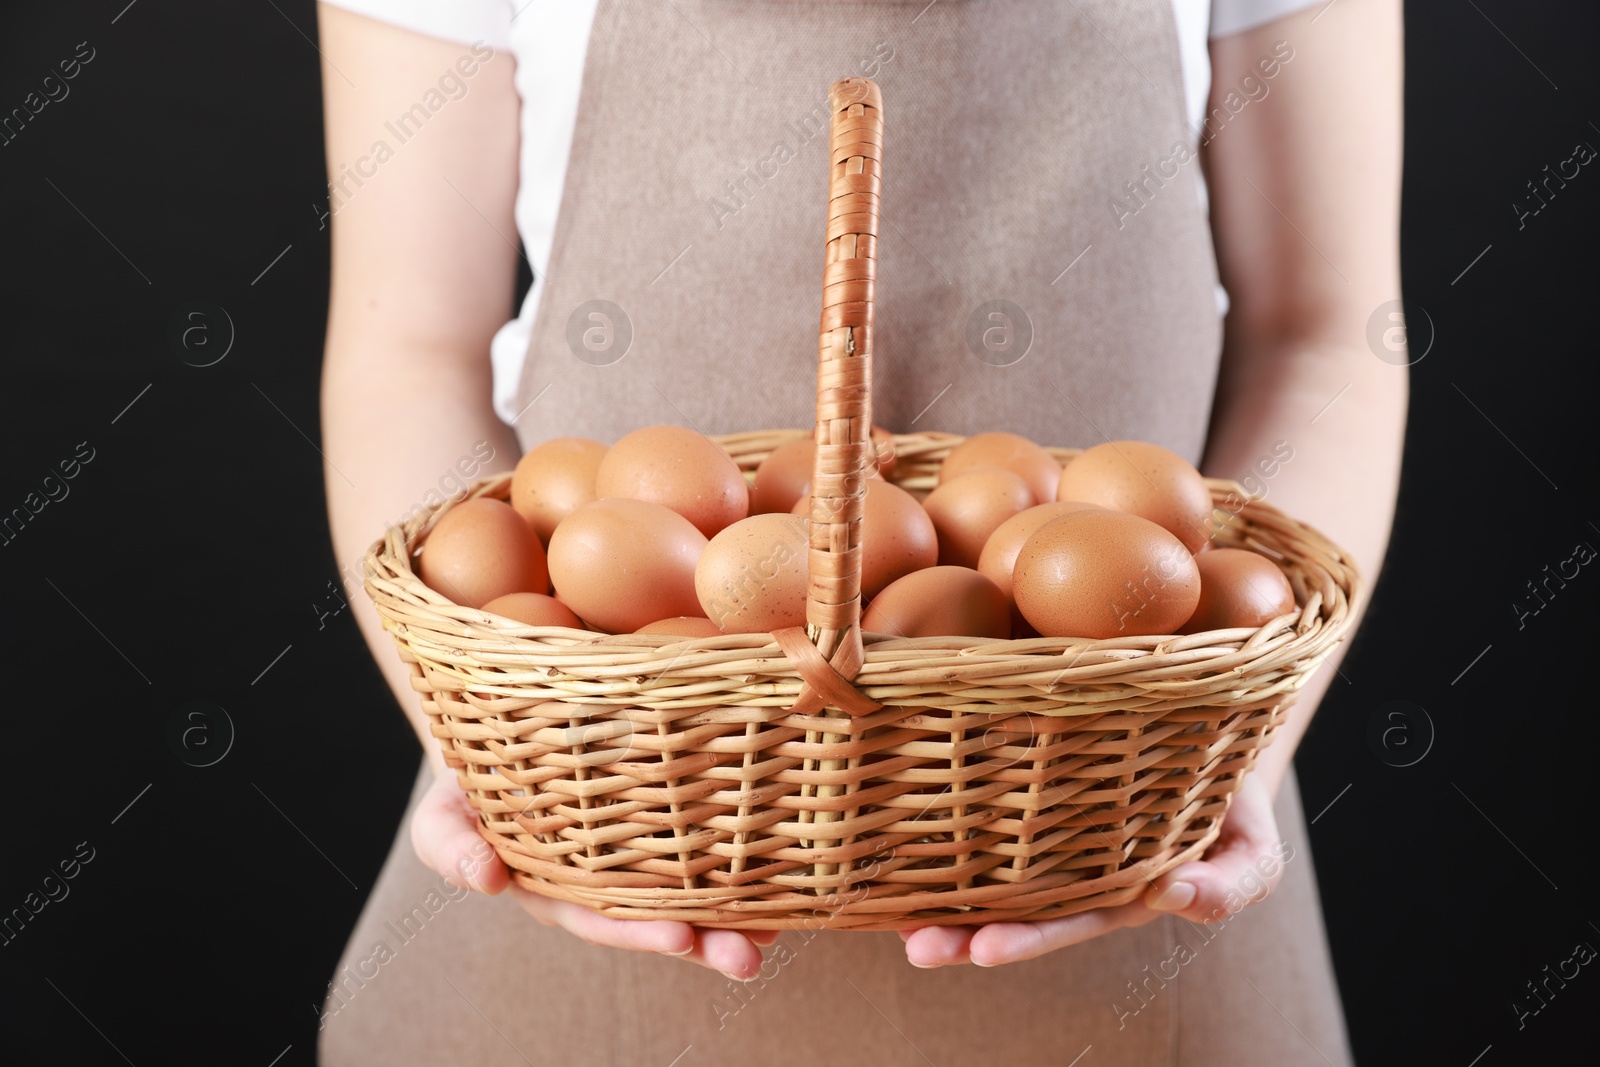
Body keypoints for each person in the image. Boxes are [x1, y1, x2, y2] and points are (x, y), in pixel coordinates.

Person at [317, 1, 1405, 1063]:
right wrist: (513, 779)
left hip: (1127, 804)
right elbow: (408, 348)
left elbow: (1325, 334)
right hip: (609, 793)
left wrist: (1230, 767)